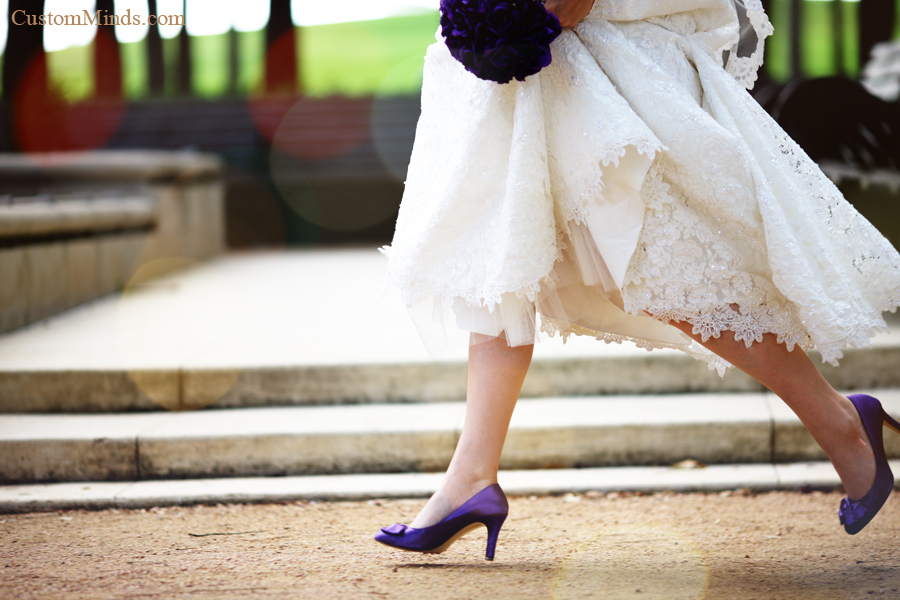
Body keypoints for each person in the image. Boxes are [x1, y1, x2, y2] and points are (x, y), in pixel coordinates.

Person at [374, 0, 900, 559]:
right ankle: (470, 478)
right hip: (506, 75)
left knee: (665, 268)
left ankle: (839, 420)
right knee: (500, 271)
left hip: (594, 61)